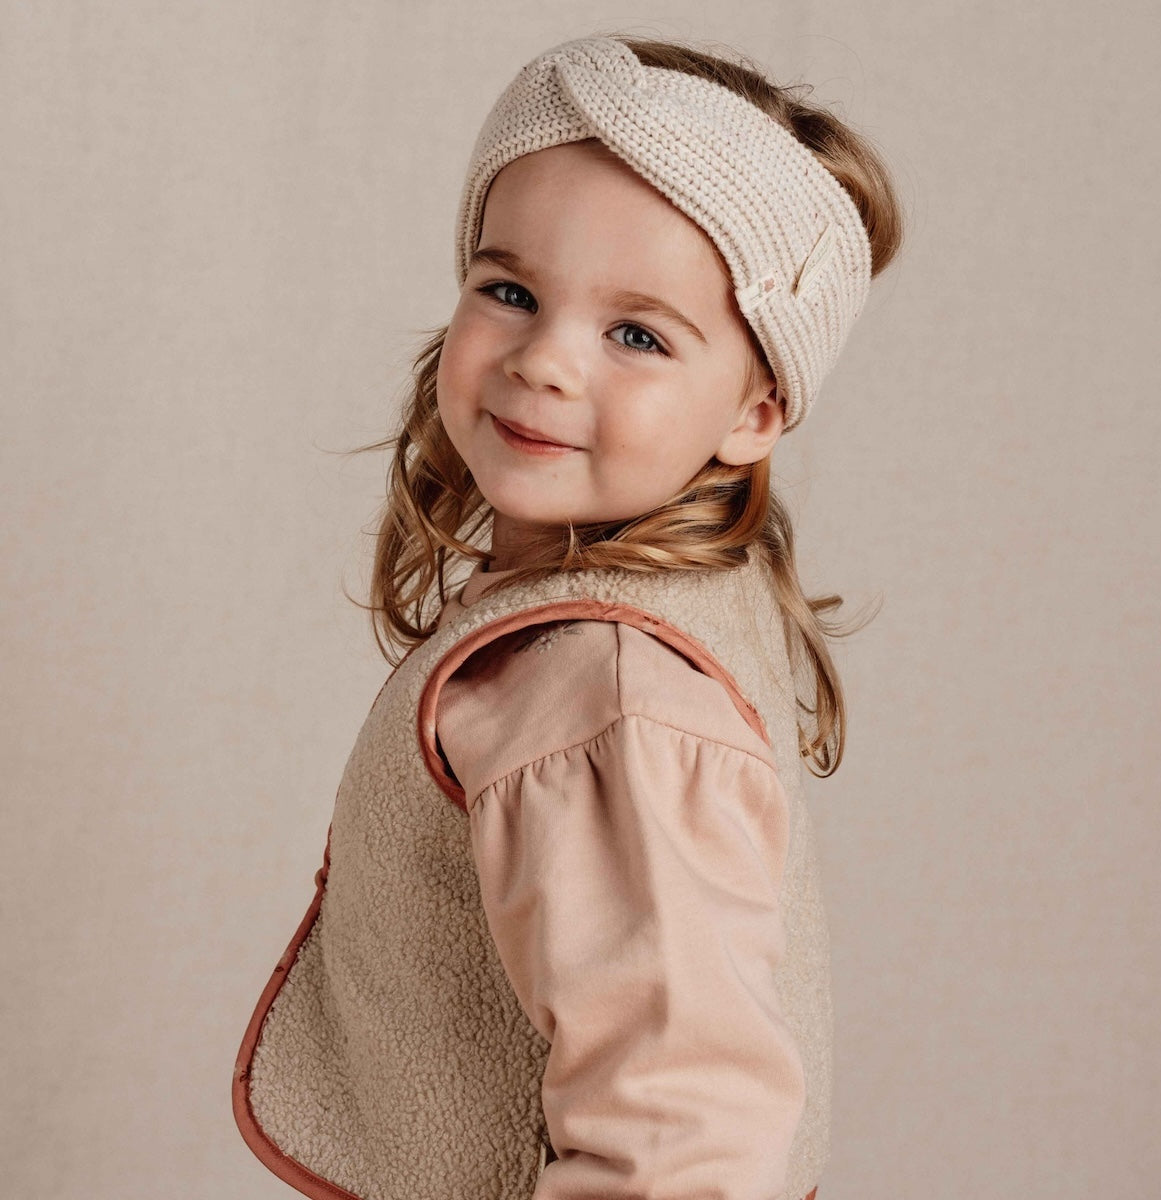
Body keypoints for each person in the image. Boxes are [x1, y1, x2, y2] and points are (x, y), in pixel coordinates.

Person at [232, 32, 903, 1200]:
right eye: (510, 291)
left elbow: (685, 1140)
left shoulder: (610, 691)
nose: (544, 360)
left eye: (637, 334)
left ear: (755, 409)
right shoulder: (606, 618)